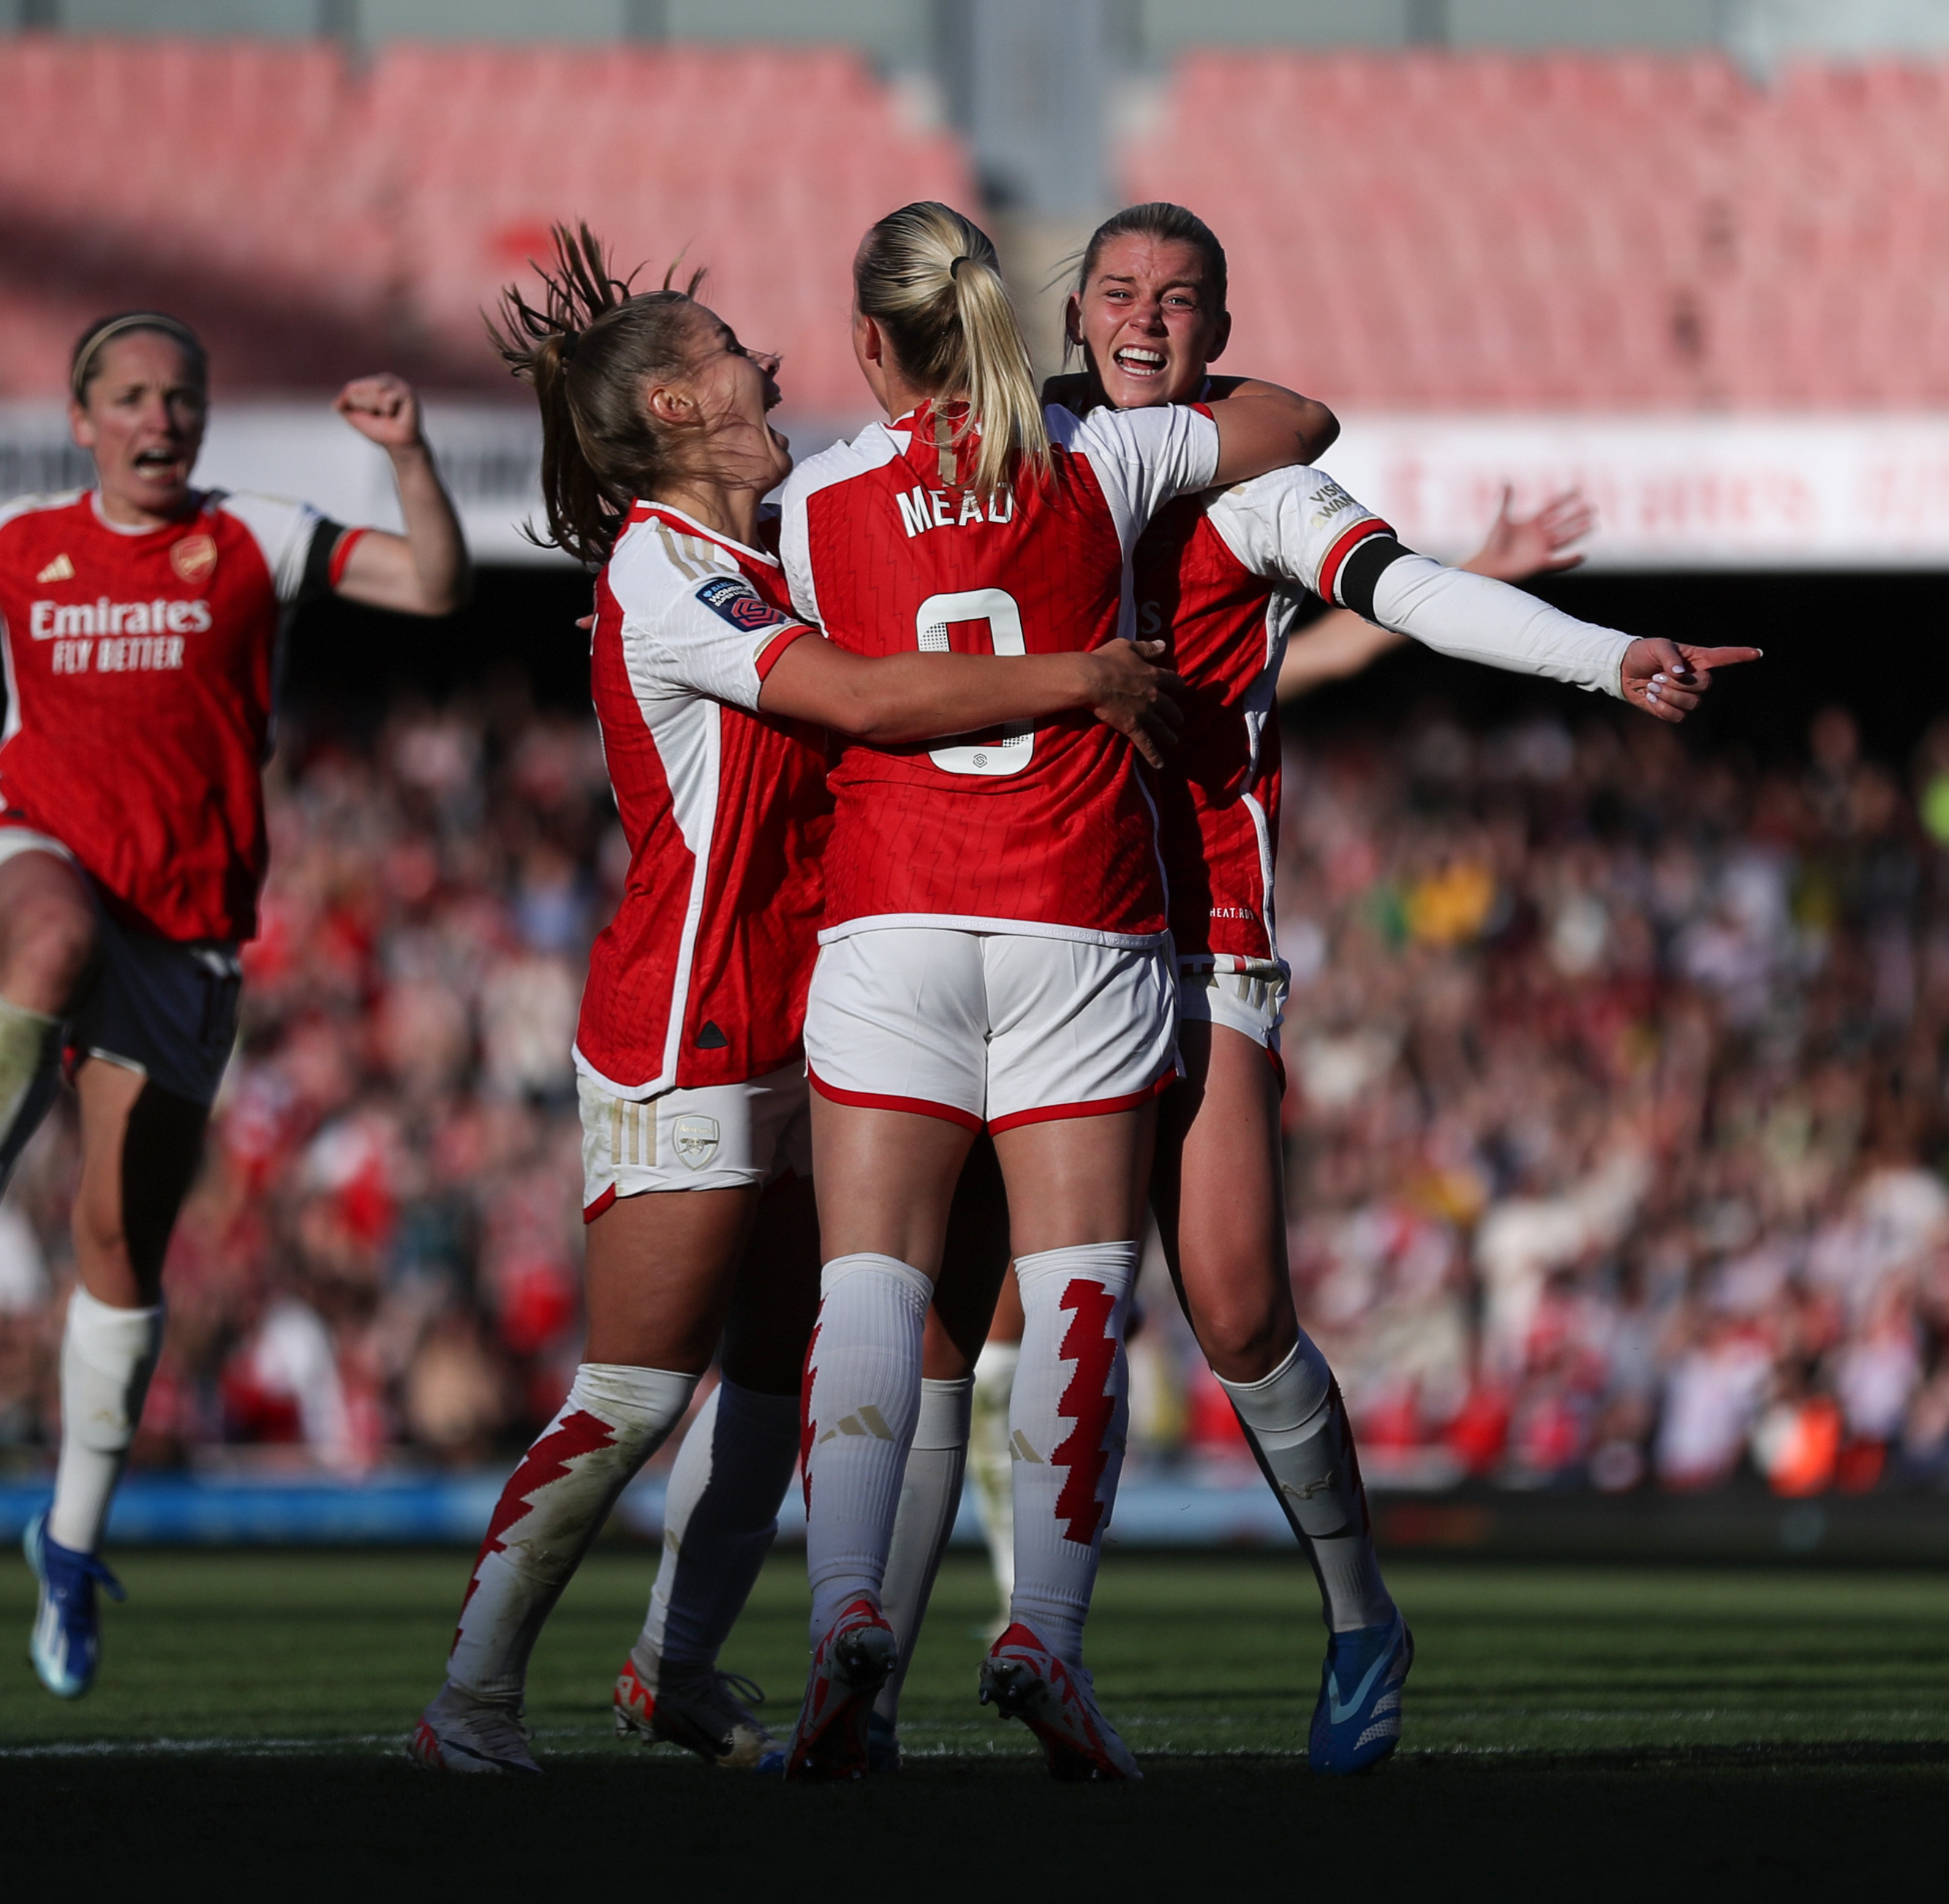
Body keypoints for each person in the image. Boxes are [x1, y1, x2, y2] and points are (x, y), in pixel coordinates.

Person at [862, 200, 1757, 1775]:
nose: (1148, 319)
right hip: (1024, 920)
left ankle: (1360, 1620)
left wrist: (1604, 656)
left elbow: (1404, 591)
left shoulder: (1260, 487)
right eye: (1121, 293)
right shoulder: (1015, 455)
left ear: (1222, 327)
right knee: (954, 1316)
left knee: (1234, 1300)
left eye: (1184, 299)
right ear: (1072, 319)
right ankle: (862, 1672)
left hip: (1196, 936)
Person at [410, 230, 1185, 1775]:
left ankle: (675, 1673)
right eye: (730, 352)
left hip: (813, 1010)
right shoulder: (662, 566)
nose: (767, 365)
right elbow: (865, 698)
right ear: (677, 411)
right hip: (689, 1020)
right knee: (635, 1393)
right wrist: (1084, 678)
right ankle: (471, 1701)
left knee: (782, 1370)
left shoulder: (769, 556)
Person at [0, 311, 471, 1699]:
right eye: (130, 398)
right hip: (33, 857)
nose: (158, 420)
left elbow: (432, 589)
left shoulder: (253, 541)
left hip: (187, 933)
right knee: (42, 948)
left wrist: (411, 459)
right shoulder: (20, 547)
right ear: (82, 419)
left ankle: (67, 1543)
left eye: (180, 398)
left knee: (121, 1249)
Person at [772, 201, 1343, 1782]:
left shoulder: (812, 502)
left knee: (876, 1291)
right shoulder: (1111, 460)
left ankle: (841, 1627)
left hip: (889, 917)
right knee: (1083, 1286)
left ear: (874, 350)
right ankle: (1046, 1640)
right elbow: (1302, 422)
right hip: (1075, 919)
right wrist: (1158, 380)